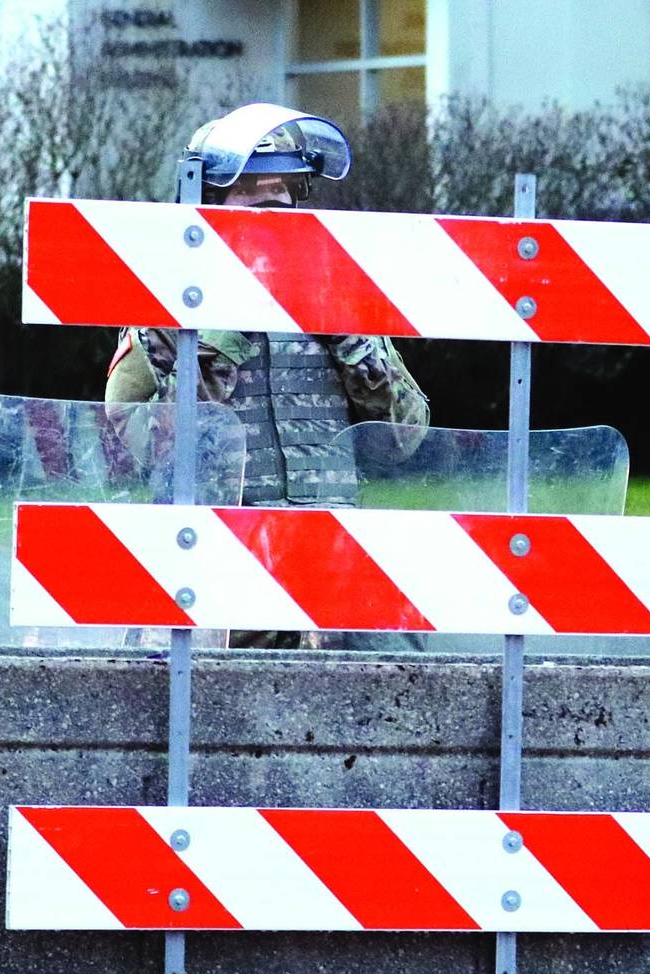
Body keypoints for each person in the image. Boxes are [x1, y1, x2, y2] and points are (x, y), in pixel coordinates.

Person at [106, 105, 428, 649]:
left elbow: (404, 440)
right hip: (217, 577)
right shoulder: (164, 315)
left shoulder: (340, 300)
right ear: (209, 204)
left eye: (283, 188)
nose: (272, 203)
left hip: (335, 578)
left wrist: (351, 341)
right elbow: (143, 447)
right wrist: (220, 335)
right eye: (252, 189)